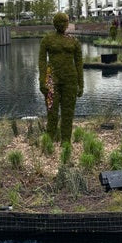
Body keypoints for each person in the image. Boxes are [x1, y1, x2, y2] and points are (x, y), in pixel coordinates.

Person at [38, 12, 83, 144]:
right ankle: (49, 141)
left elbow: (79, 64)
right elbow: (42, 62)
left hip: (70, 80)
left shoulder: (74, 41)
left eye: (66, 22)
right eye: (61, 22)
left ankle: (66, 141)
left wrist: (81, 83)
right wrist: (42, 81)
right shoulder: (47, 39)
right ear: (55, 24)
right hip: (52, 80)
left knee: (68, 113)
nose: (64, 24)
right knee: (52, 112)